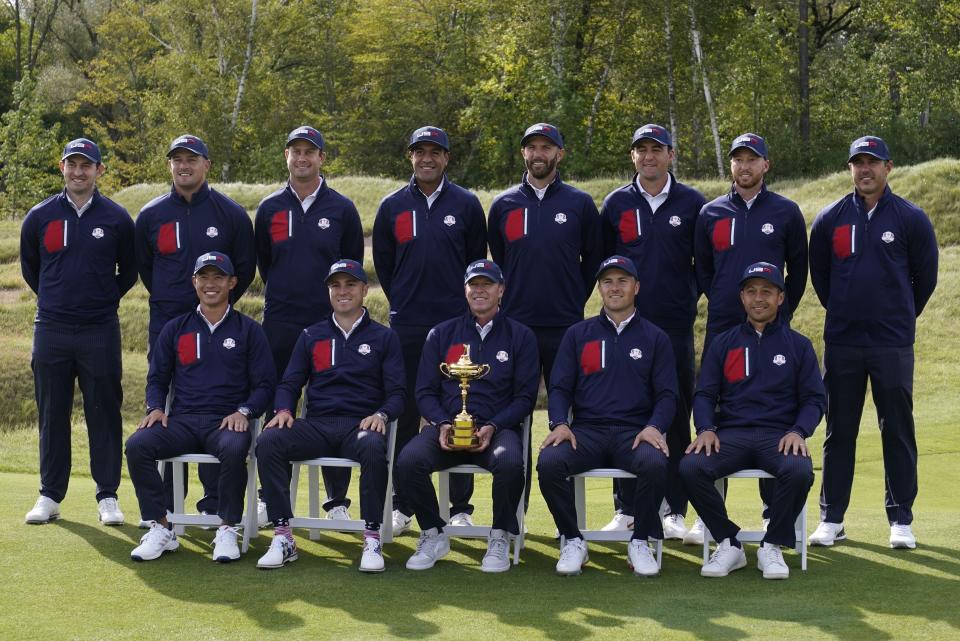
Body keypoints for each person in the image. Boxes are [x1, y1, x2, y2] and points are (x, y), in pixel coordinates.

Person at [808, 136, 938, 549]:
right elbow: (822, 279)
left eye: (873, 163)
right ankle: (833, 518)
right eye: (858, 163)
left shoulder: (910, 218)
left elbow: (925, 279)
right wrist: (848, 312)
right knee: (838, 430)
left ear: (888, 167)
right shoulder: (829, 219)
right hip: (843, 341)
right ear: (850, 168)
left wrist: (896, 315)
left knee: (897, 429)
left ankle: (901, 518)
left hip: (892, 343)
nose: (865, 170)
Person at [691, 132, 808, 544]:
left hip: (772, 326)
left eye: (752, 159)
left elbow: (799, 269)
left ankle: (774, 507)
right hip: (725, 324)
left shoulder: (787, 212)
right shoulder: (710, 213)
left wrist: (776, 308)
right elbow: (704, 271)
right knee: (720, 403)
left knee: (772, 404)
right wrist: (728, 300)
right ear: (732, 166)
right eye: (738, 159)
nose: (744, 166)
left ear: (765, 166)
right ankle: (711, 517)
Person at [372, 125, 487, 534]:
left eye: (435, 152)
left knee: (460, 406)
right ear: (410, 157)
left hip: (457, 328)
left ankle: (460, 505)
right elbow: (386, 266)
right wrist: (404, 299)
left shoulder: (467, 204)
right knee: (405, 412)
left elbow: (476, 265)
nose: (427, 159)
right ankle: (404, 501)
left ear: (446, 158)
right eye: (419, 152)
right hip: (407, 326)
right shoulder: (391, 207)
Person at [135, 134, 256, 520]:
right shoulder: (152, 214)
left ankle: (214, 503)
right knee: (165, 411)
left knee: (216, 406)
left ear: (207, 164)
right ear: (169, 165)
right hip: (168, 325)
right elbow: (144, 268)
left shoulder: (230, 214)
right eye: (177, 159)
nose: (184, 165)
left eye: (192, 158)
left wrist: (216, 308)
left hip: (220, 327)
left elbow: (245, 269)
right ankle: (168, 507)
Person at [125, 252, 275, 562]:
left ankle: (227, 529)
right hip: (183, 421)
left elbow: (265, 386)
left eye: (218, 277)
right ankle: (161, 527)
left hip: (226, 422)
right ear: (194, 282)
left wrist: (244, 412)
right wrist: (154, 407)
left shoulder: (248, 330)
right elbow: (157, 378)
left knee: (235, 448)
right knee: (138, 445)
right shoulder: (176, 328)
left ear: (232, 283)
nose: (210, 284)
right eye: (204, 277)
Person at [255, 259, 404, 572]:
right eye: (335, 285)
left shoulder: (383, 337)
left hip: (361, 427)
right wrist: (283, 409)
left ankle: (372, 537)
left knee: (375, 446)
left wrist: (381, 414)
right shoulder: (312, 335)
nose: (343, 291)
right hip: (318, 427)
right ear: (328, 292)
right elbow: (290, 382)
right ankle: (283, 535)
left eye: (350, 284)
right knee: (269, 441)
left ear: (365, 290)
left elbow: (397, 394)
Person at [680, 262, 825, 579]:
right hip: (731, 435)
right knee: (690, 466)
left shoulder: (798, 346)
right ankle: (728, 542)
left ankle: (772, 545)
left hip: (778, 436)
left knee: (799, 471)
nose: (759, 298)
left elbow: (815, 399)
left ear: (780, 297)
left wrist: (799, 431)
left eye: (767, 291)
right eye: (751, 291)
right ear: (742, 297)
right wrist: (705, 429)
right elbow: (704, 394)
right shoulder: (723, 342)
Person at [20, 138, 137, 525]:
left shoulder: (117, 218)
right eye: (72, 164)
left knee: (103, 412)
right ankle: (50, 495)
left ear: (99, 170)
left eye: (86, 165)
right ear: (62, 167)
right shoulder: (39, 217)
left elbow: (129, 273)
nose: (78, 171)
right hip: (51, 328)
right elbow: (32, 270)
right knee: (52, 412)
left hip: (99, 329)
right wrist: (58, 299)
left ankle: (107, 495)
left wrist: (100, 301)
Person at [395, 260, 539, 572]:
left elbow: (525, 397)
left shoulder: (521, 336)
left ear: (501, 290)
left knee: (512, 464)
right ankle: (433, 532)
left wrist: (493, 425)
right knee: (407, 461)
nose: (480, 290)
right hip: (448, 427)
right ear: (465, 290)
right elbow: (424, 391)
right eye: (474, 285)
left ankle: (500, 534)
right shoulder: (441, 334)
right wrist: (442, 423)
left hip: (497, 429)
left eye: (487, 284)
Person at [538, 255, 678, 577]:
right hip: (587, 431)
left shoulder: (655, 337)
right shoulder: (578, 334)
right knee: (549, 462)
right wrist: (559, 423)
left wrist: (655, 427)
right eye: (608, 282)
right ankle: (573, 540)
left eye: (623, 281)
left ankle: (639, 539)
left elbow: (668, 394)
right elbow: (559, 387)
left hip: (635, 432)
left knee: (656, 464)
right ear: (599, 288)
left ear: (636, 287)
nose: (615, 288)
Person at [599, 124, 706, 539]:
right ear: (633, 157)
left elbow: (704, 265)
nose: (649, 156)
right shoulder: (615, 204)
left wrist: (686, 297)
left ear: (670, 155)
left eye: (656, 150)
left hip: (676, 325)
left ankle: (674, 508)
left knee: (676, 414)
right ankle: (626, 508)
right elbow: (604, 262)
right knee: (624, 411)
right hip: (625, 327)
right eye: (641, 150)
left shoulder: (693, 203)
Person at [254, 125, 364, 524]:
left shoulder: (341, 208)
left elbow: (349, 269)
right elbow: (266, 263)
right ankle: (271, 496)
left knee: (331, 405)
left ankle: (336, 500)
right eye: (295, 151)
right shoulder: (269, 208)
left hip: (328, 325)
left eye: (310, 152)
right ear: (286, 156)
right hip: (280, 321)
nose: (302, 158)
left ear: (321, 158)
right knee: (277, 406)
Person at [488, 122, 604, 391]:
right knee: (514, 401)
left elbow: (593, 259)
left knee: (565, 399)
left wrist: (573, 296)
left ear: (559, 154)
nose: (538, 154)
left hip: (565, 322)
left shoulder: (580, 203)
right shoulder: (503, 204)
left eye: (546, 147)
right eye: (532, 147)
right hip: (516, 321)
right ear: (523, 153)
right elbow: (502, 259)